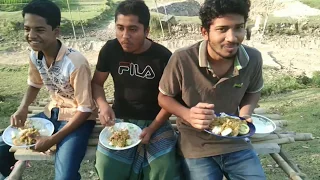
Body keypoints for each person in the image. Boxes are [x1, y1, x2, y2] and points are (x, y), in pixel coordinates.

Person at [158, 0, 266, 179]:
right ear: (204, 32)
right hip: (195, 143)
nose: (232, 37)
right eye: (222, 29)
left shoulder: (253, 58)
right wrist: (187, 114)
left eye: (238, 27)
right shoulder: (183, 59)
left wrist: (245, 114)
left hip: (236, 141)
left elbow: (253, 91)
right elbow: (164, 98)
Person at [5, 0, 97, 179]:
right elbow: (34, 83)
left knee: (64, 177)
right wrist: (23, 107)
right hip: (51, 112)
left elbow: (85, 109)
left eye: (39, 30)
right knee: (2, 145)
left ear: (56, 31)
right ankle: (13, 172)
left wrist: (53, 139)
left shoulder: (75, 63)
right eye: (27, 29)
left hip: (78, 119)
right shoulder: (35, 54)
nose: (31, 35)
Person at [92, 0, 180, 179]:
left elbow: (172, 98)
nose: (125, 36)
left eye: (133, 29)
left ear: (146, 31)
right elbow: (97, 84)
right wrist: (103, 106)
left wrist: (153, 127)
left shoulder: (163, 57)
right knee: (106, 166)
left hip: (156, 121)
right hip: (120, 121)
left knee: (164, 168)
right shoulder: (110, 49)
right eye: (120, 28)